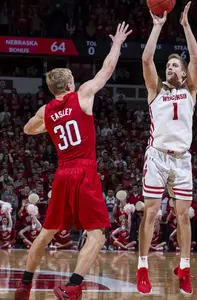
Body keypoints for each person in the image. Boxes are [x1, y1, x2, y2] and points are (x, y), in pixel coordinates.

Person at [14, 22, 132, 300]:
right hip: (84, 170)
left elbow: (27, 129)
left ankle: (24, 286)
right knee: (98, 234)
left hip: (62, 173)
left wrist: (49, 127)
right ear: (69, 84)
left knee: (46, 233)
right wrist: (116, 44)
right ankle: (74, 286)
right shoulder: (83, 96)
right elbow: (107, 70)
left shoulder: (46, 110)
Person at [136, 2, 197, 296]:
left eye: (175, 65)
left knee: (184, 216)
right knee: (150, 213)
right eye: (169, 65)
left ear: (185, 74)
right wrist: (157, 27)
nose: (170, 67)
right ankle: (142, 267)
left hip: (182, 160)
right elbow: (147, 58)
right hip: (157, 158)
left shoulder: (189, 92)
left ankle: (184, 268)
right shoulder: (155, 92)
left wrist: (186, 26)